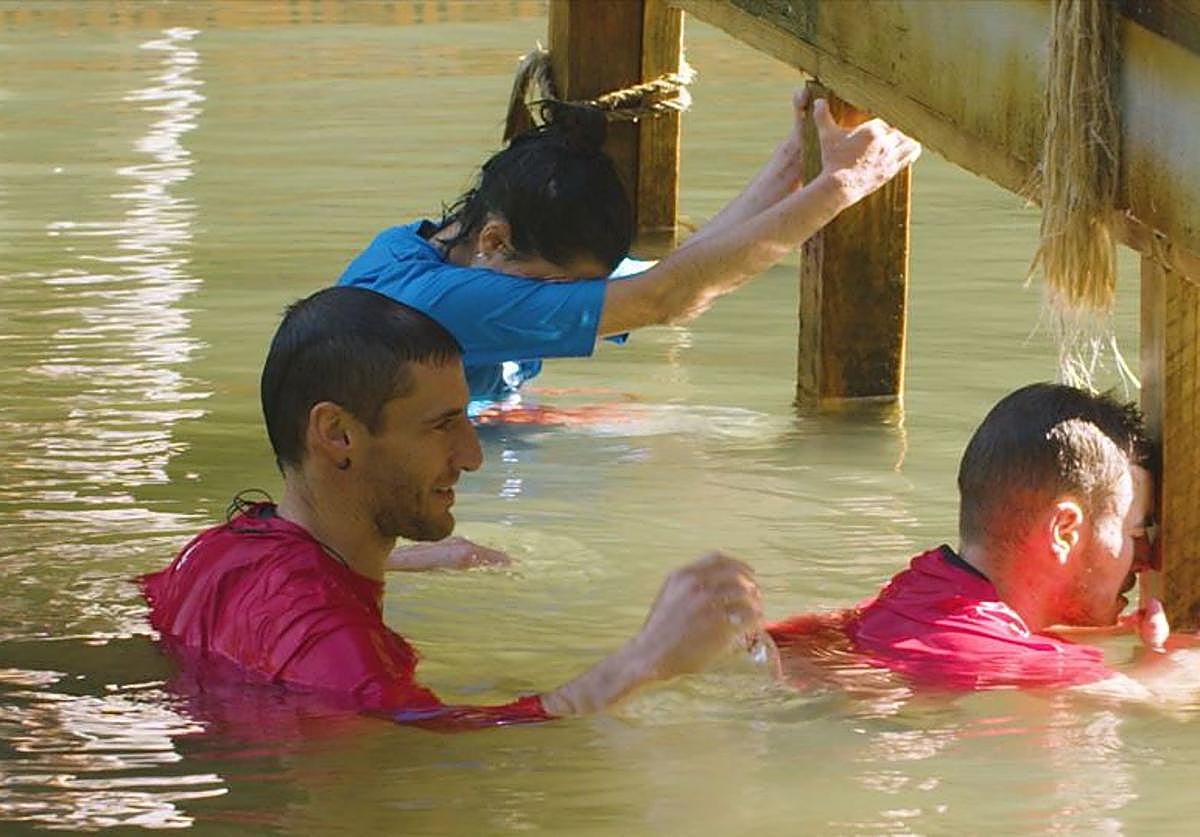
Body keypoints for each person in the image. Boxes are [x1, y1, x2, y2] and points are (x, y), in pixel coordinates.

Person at [140, 287, 764, 730]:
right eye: (440, 426)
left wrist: (409, 560)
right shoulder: (334, 644)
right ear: (337, 435)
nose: (472, 456)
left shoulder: (221, 549)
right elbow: (438, 747)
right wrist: (646, 659)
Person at [337, 91, 921, 404]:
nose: (567, 298)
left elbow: (674, 275)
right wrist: (840, 188)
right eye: (557, 289)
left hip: (470, 425)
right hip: (411, 471)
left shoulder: (443, 249)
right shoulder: (444, 301)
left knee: (671, 425)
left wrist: (792, 165)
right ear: (494, 239)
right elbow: (666, 298)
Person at [767, 383, 1164, 694]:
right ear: (1064, 531)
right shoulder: (1019, 664)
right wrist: (1162, 651)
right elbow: (1169, 697)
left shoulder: (912, 598)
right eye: (1134, 531)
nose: (1147, 557)